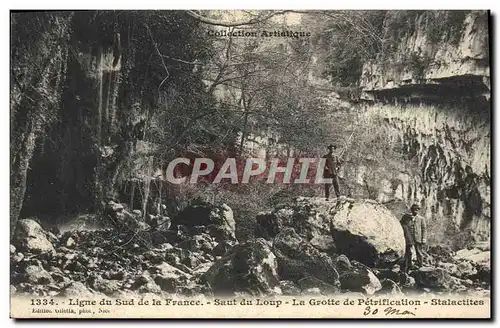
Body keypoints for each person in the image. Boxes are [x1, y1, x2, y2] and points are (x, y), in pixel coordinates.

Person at [400, 204, 427, 272]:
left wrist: (424, 238)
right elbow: (401, 224)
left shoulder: (421, 219)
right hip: (409, 237)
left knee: (419, 251)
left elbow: (424, 229)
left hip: (418, 238)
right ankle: (409, 265)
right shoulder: (407, 217)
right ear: (411, 210)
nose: (415, 211)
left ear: (418, 210)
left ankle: (420, 265)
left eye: (417, 210)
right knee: (408, 252)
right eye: (414, 210)